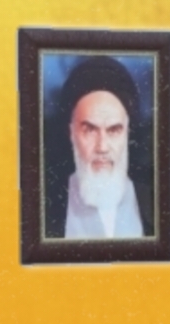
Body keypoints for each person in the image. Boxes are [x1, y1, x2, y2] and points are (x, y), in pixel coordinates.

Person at [47, 55, 152, 239]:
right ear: (71, 133)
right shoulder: (45, 207)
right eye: (89, 130)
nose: (102, 147)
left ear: (128, 133)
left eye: (114, 130)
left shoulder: (156, 203)